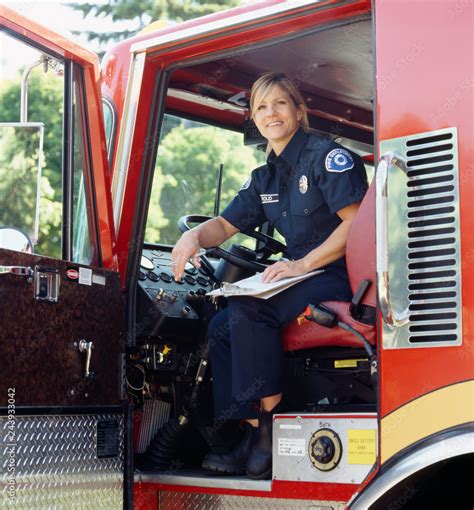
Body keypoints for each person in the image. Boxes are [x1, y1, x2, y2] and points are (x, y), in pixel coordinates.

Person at [171, 72, 368, 480]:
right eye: (261, 106)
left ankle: (269, 430)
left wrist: (301, 264)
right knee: (222, 324)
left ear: (299, 111)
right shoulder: (265, 177)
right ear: (254, 119)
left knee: (247, 310)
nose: (270, 113)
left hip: (337, 274)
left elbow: (358, 225)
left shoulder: (326, 158)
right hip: (298, 276)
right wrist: (193, 236)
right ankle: (245, 429)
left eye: (279, 103)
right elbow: (224, 226)